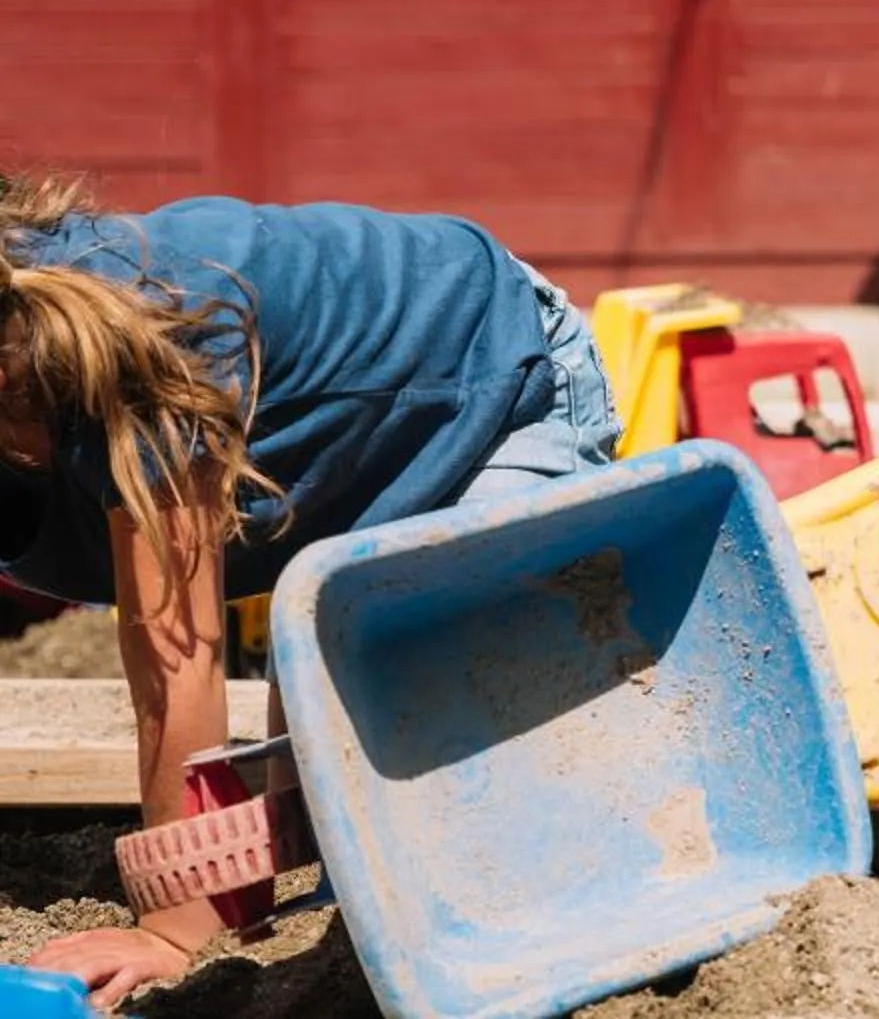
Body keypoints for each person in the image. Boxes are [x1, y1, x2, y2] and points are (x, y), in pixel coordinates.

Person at [0, 173, 619, 1007]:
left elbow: (176, 654)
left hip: (491, 383)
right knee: (331, 782)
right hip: (325, 461)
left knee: (391, 758)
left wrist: (175, 924)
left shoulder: (135, 339)